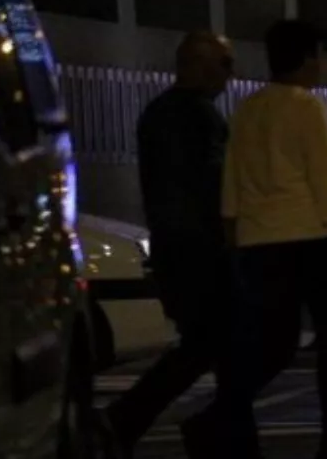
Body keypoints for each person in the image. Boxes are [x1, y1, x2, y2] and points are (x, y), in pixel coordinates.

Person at [211, 20, 327, 459]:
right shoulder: (307, 106)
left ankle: (226, 410)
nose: (322, 65)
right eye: (318, 55)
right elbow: (325, 180)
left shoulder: (247, 108)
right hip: (314, 237)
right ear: (304, 59)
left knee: (272, 343)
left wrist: (232, 232)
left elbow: (231, 180)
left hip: (259, 243)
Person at [103, 32, 235, 457]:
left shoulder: (158, 113)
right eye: (224, 64)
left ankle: (127, 419)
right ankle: (128, 418)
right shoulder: (201, 118)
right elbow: (214, 186)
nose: (230, 76)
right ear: (197, 65)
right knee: (216, 343)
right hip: (201, 251)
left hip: (173, 247)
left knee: (204, 344)